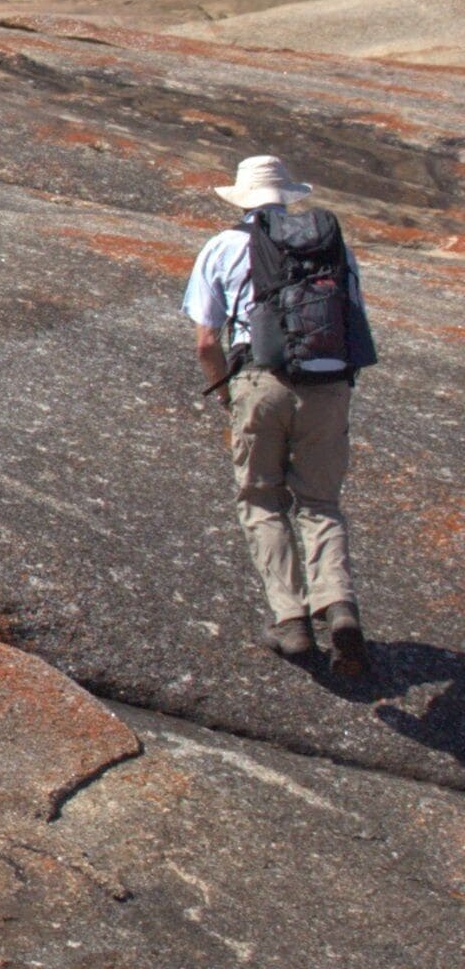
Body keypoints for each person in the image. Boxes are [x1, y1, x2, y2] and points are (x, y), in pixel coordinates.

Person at [186, 155, 377, 672]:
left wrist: (224, 394)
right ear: (289, 196)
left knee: (261, 497)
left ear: (242, 198)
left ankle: (290, 619)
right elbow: (354, 316)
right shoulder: (333, 245)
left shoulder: (224, 246)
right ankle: (338, 608)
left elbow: (207, 339)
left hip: (261, 381)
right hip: (329, 384)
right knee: (321, 502)